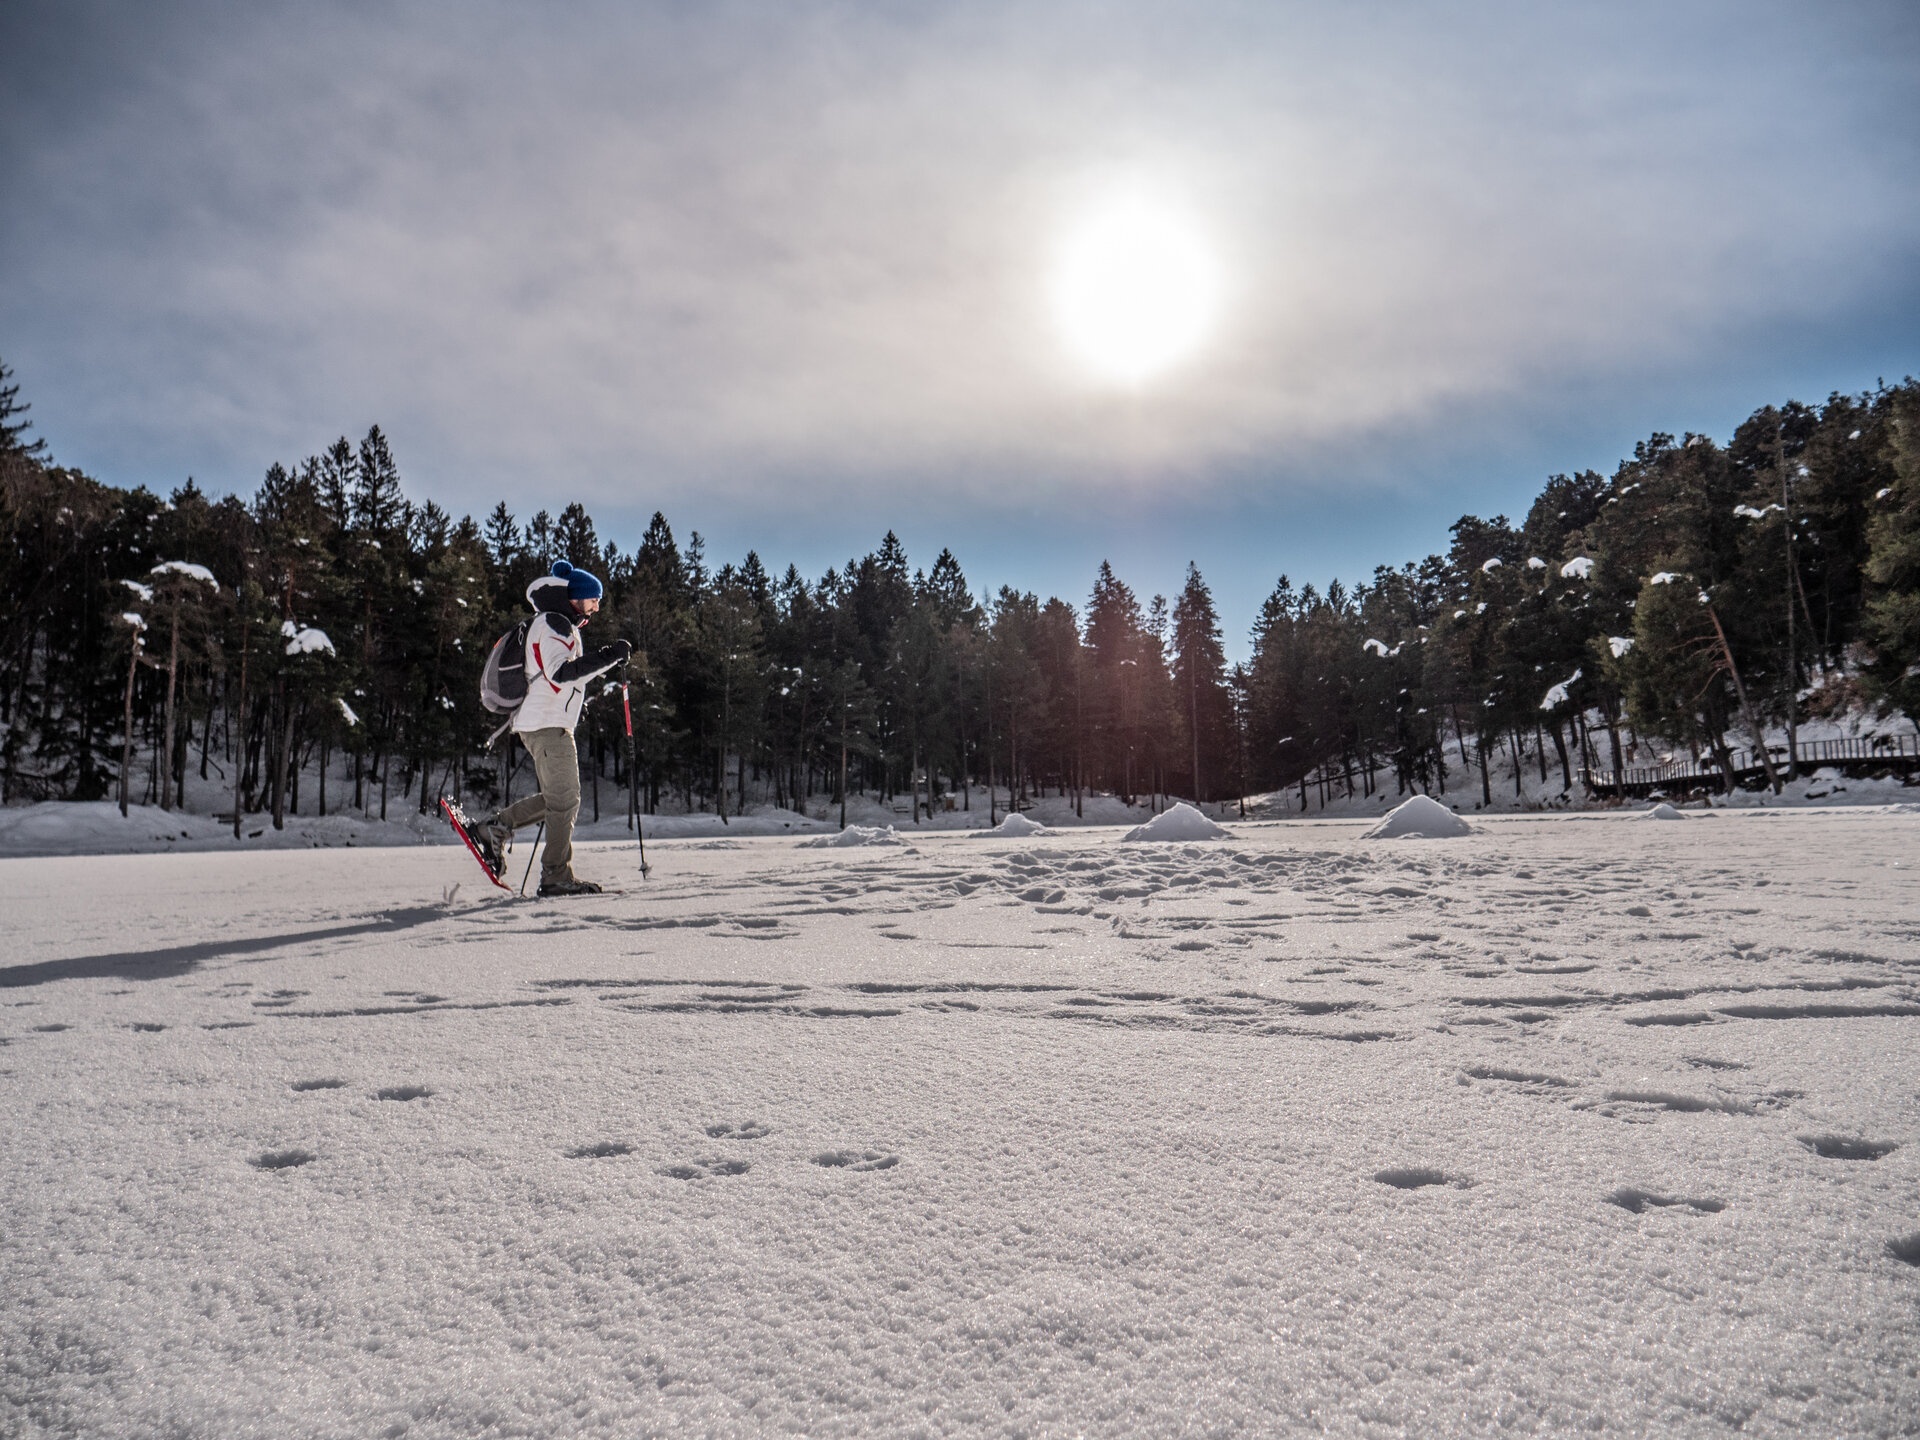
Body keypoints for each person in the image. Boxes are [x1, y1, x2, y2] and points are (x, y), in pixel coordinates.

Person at [472, 560, 631, 895]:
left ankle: (496, 828)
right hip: (546, 724)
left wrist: (572, 706)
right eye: (593, 600)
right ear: (577, 598)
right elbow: (560, 673)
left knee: (558, 799)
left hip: (544, 721)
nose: (596, 607)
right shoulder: (554, 623)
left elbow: (552, 677)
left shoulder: (554, 623)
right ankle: (556, 875)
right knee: (565, 800)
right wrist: (609, 656)